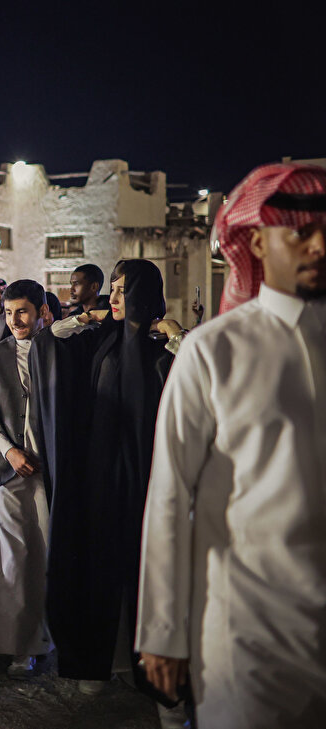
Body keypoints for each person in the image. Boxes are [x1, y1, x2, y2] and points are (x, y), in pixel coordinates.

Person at [137, 162, 326, 728]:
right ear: (258, 243)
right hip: (246, 627)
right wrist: (163, 632)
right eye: (301, 232)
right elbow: (170, 497)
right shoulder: (212, 352)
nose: (320, 246)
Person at [29, 260, 183, 697]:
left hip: (147, 480)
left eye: (121, 292)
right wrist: (87, 316)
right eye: (111, 290)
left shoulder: (161, 353)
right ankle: (99, 662)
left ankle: (149, 667)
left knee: (143, 571)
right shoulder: (103, 344)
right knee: (97, 566)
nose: (111, 300)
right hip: (98, 477)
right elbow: (50, 338)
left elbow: (203, 374)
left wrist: (172, 332)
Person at [0, 279, 53, 678]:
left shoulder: (56, 351)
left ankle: (45, 639)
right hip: (6, 473)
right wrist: (9, 449)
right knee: (13, 562)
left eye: (23, 311)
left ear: (40, 312)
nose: (16, 320)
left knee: (45, 555)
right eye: (8, 312)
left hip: (49, 473)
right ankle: (19, 646)